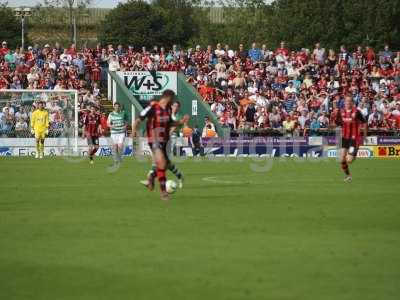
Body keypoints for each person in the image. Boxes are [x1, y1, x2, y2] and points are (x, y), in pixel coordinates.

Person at [132, 90, 189, 201]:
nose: (173, 102)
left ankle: (151, 180)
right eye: (172, 99)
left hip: (164, 141)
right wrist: (134, 132)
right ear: (168, 97)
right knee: (162, 163)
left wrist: (181, 122)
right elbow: (138, 120)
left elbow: (171, 123)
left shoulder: (167, 110)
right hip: (154, 140)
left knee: (165, 164)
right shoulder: (153, 107)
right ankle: (163, 192)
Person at [140, 99, 186, 191]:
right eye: (174, 106)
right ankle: (180, 176)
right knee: (164, 162)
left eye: (177, 106)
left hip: (170, 139)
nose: (175, 108)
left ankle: (151, 177)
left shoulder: (178, 117)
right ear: (171, 106)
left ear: (179, 108)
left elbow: (173, 128)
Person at [336, 95, 368, 182]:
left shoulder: (356, 112)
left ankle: (354, 152)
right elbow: (338, 122)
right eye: (346, 101)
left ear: (352, 102)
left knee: (349, 160)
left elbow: (364, 122)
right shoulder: (341, 111)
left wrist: (364, 136)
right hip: (344, 137)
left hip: (354, 138)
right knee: (342, 159)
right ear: (344, 102)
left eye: (350, 101)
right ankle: (348, 176)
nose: (348, 103)